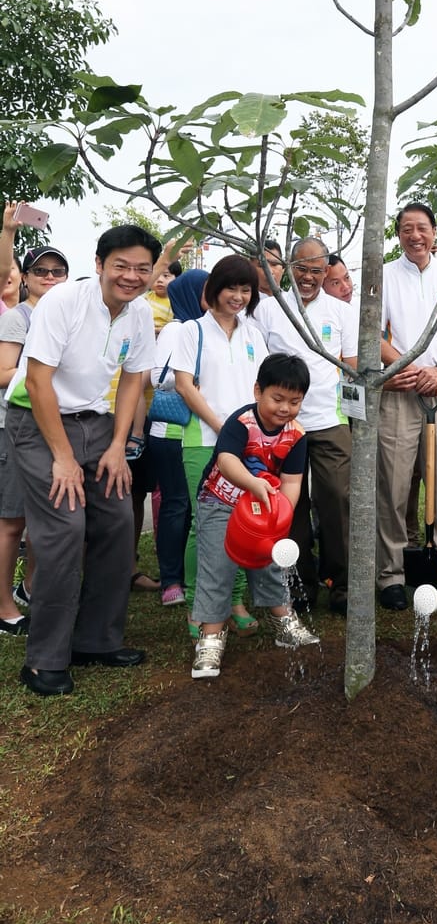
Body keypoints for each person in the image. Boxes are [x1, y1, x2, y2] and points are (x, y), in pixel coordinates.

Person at [5, 225, 160, 696]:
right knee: (64, 528)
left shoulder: (137, 316)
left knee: (115, 521)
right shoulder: (62, 303)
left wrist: (118, 446)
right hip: (38, 421)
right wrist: (64, 458)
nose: (131, 276)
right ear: (99, 265)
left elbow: (134, 379)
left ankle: (96, 640)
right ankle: (44, 659)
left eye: (141, 268)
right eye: (121, 266)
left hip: (97, 423)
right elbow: (36, 383)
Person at [191, 352, 319, 678]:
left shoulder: (296, 436)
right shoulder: (241, 423)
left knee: (270, 561)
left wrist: (280, 517)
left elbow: (291, 483)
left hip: (265, 510)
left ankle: (284, 621)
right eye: (277, 398)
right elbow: (227, 461)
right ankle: (210, 639)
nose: (284, 408)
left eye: (294, 401)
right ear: (257, 391)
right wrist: (253, 484)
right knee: (218, 567)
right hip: (221, 502)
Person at [376, 203, 437, 610]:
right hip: (400, 389)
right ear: (398, 235)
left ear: (435, 233)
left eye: (422, 228)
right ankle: (391, 575)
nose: (415, 235)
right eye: (406, 229)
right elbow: (373, 331)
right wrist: (406, 365)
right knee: (394, 486)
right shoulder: (384, 274)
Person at [254, 236, 357, 615]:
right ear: (288, 268)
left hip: (330, 421)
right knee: (290, 506)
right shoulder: (268, 310)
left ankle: (343, 584)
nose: (310, 277)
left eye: (317, 270)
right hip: (282, 425)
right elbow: (260, 370)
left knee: (338, 498)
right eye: (302, 269)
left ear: (327, 270)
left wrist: (354, 422)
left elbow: (352, 371)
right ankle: (300, 583)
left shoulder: (342, 312)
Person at [170, 254, 268, 637]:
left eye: (246, 289)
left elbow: (261, 389)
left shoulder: (253, 334)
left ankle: (236, 600)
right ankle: (200, 603)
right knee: (205, 524)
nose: (239, 296)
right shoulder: (190, 331)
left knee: (242, 522)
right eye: (232, 288)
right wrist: (223, 426)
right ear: (213, 290)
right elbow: (183, 385)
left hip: (248, 445)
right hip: (203, 441)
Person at [0, 245, 70, 635]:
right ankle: (4, 605)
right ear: (24, 277)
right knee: (11, 522)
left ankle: (29, 588)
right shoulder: (17, 319)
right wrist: (42, 371)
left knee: (46, 519)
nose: (49, 277)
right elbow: (2, 372)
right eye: (40, 270)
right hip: (15, 425)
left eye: (58, 271)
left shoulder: (65, 316)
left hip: (54, 426)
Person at [146, 268, 208, 606]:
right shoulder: (176, 328)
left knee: (196, 506)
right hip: (171, 431)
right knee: (177, 504)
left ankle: (191, 573)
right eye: (206, 290)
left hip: (200, 431)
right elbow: (159, 376)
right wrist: (194, 378)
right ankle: (171, 580)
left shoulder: (207, 327)